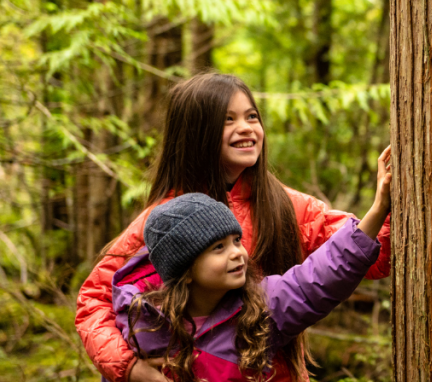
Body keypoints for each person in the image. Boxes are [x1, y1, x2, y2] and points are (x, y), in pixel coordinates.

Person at [76, 73, 392, 382]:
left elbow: (371, 254)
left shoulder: (288, 206)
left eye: (251, 116)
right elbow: (94, 300)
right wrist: (130, 368)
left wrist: (389, 198)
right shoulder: (164, 222)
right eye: (228, 120)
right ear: (197, 133)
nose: (246, 128)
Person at [112, 192, 384, 382]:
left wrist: (379, 209)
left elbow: (322, 275)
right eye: (219, 248)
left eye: (236, 241)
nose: (237, 254)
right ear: (186, 270)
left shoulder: (263, 307)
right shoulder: (145, 324)